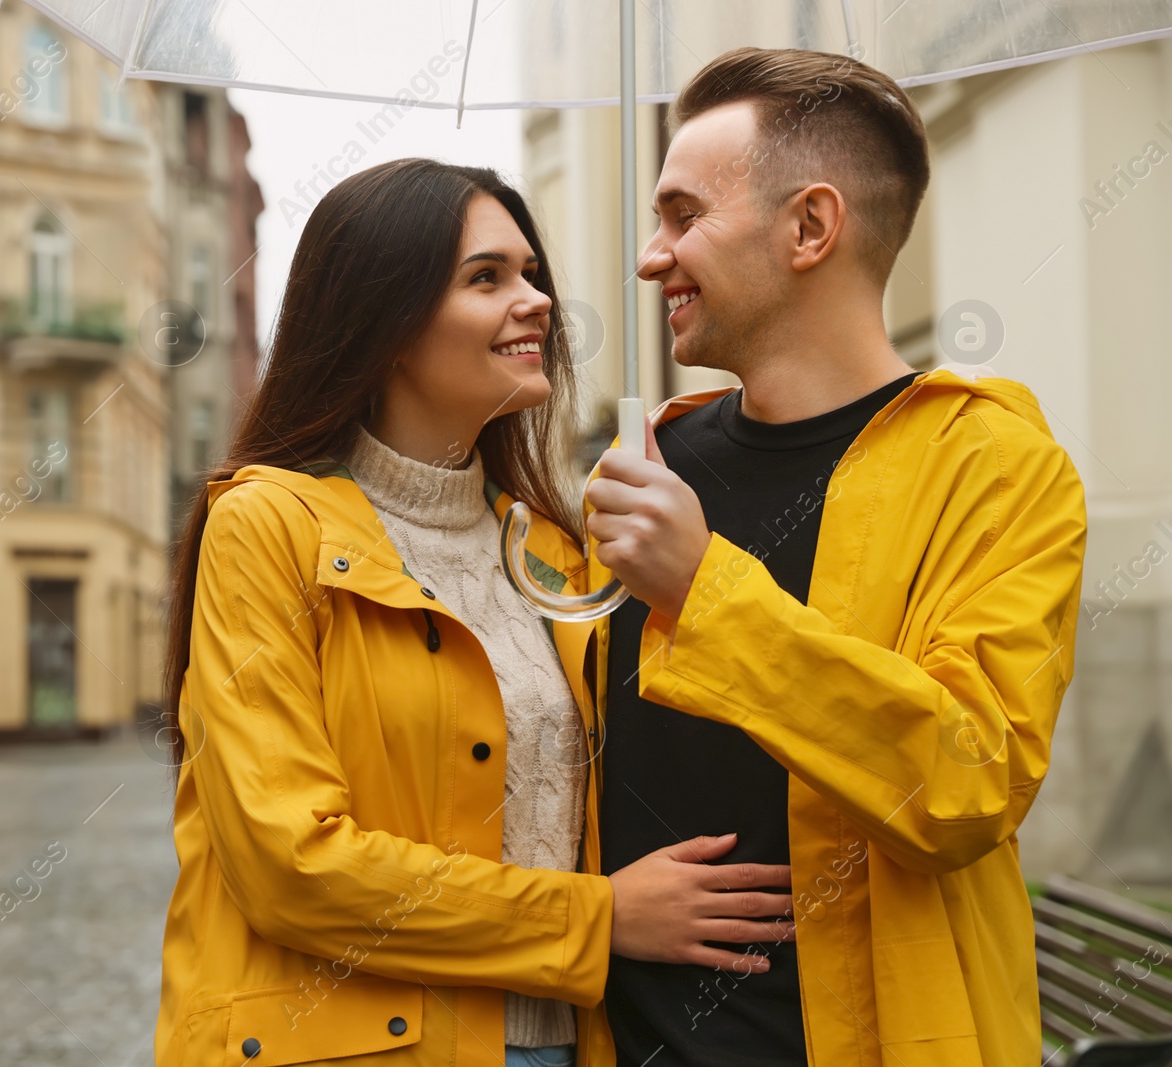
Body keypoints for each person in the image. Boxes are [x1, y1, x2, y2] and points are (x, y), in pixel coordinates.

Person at [153, 158, 796, 1067]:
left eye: (531, 274)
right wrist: (601, 918)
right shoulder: (268, 528)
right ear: (384, 321)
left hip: (561, 1043)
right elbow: (289, 864)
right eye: (486, 277)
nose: (534, 299)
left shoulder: (558, 556)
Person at [585, 47, 1088, 1067]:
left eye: (684, 216)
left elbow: (968, 781)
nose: (649, 256)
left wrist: (704, 589)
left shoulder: (992, 466)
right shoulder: (648, 470)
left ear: (809, 226)